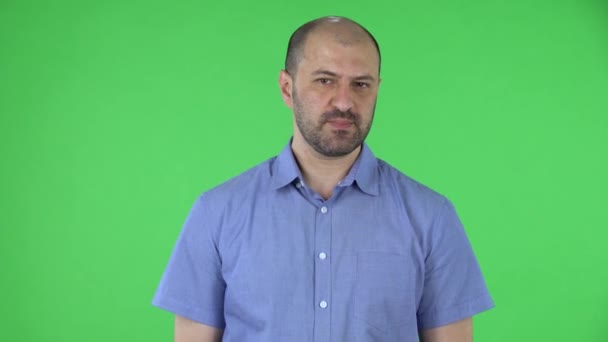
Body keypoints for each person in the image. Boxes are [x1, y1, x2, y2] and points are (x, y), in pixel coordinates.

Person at [153, 16, 494, 342]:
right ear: (287, 89)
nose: (344, 102)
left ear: (377, 89)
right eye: (325, 80)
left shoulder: (432, 216)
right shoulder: (217, 213)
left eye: (361, 84)